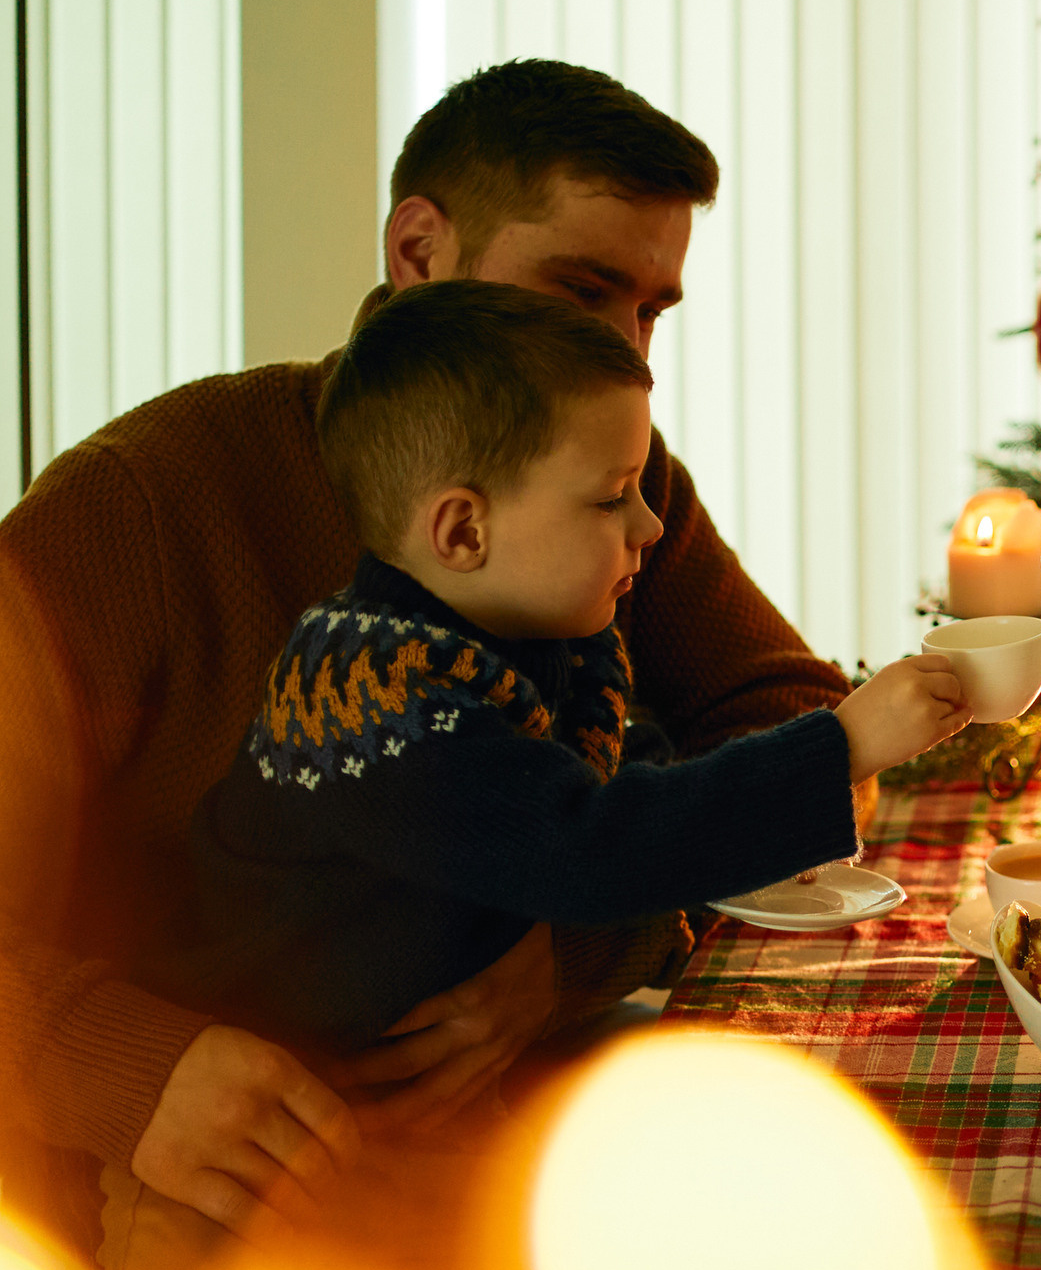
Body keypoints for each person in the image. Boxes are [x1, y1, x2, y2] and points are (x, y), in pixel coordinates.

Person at [0, 60, 856, 1263]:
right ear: (417, 249)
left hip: (513, 1166)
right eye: (582, 289)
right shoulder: (141, 505)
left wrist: (563, 944)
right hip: (189, 1200)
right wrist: (127, 1071)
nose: (631, 356)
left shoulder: (611, 487)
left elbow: (790, 712)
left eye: (652, 310)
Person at [137, 281, 965, 1058]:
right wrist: (839, 747)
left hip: (450, 1070)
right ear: (463, 531)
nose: (647, 523)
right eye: (612, 498)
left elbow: (600, 769)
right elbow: (583, 848)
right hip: (297, 1108)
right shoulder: (373, 699)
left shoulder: (522, 627)